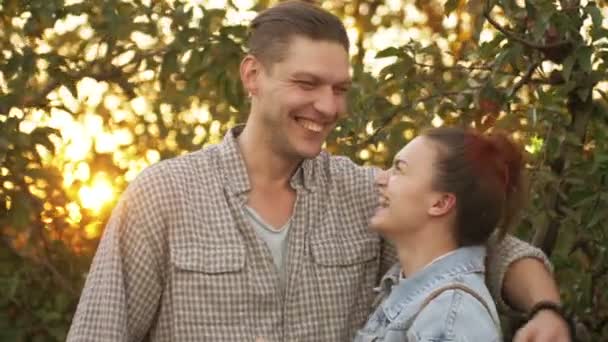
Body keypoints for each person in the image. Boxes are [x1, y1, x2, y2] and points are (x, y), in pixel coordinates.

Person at [67, 1, 571, 341]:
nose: (327, 107)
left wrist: (547, 310)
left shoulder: (362, 193)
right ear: (253, 76)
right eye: (307, 83)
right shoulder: (163, 196)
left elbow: (489, 249)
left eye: (340, 88)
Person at [356, 127, 524, 341]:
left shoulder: (452, 318)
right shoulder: (407, 292)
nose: (380, 178)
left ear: (440, 203)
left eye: (399, 168)